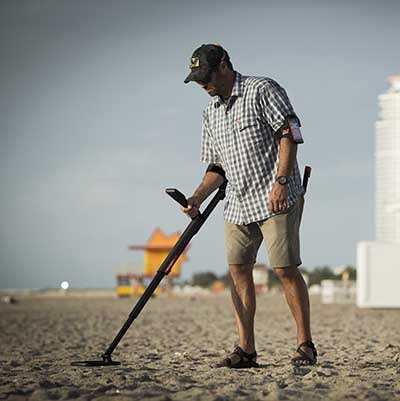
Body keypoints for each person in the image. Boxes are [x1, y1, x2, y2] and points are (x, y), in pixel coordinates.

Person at [181, 43, 317, 368]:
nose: (202, 84)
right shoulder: (210, 112)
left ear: (224, 66)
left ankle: (306, 346)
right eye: (197, 79)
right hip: (238, 203)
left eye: (206, 76)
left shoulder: (261, 89)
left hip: (276, 195)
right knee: (237, 270)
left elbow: (289, 132)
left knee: (284, 269)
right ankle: (246, 350)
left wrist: (282, 181)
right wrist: (196, 197)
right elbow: (216, 167)